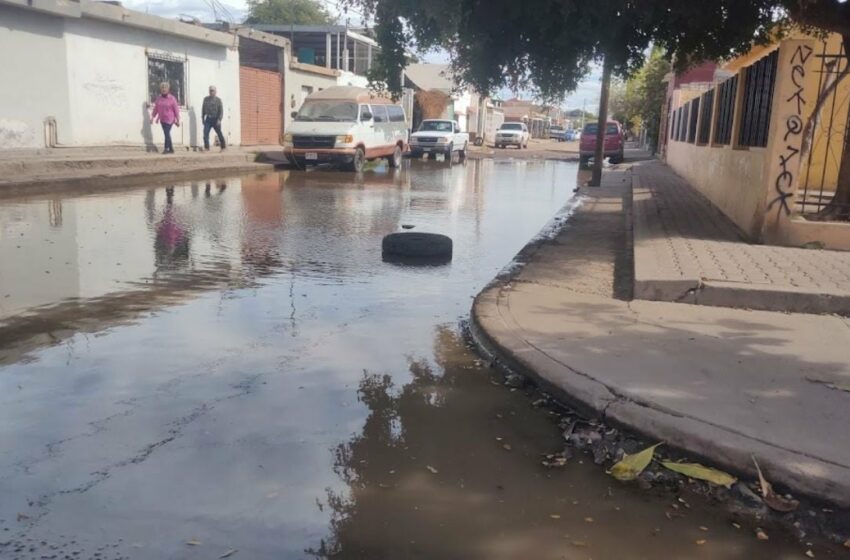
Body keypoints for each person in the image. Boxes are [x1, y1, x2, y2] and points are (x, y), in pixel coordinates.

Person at [150, 82, 180, 154]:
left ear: (168, 89)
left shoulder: (172, 98)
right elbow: (156, 109)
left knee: (166, 133)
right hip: (162, 119)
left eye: (165, 88)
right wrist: (152, 117)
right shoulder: (159, 99)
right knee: (167, 133)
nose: (164, 89)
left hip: (170, 119)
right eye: (162, 88)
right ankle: (171, 149)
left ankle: (166, 148)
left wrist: (178, 119)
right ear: (160, 89)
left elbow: (176, 109)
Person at [202, 85, 226, 151]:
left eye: (212, 91)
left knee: (219, 133)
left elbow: (221, 111)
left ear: (215, 92)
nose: (211, 92)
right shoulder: (206, 99)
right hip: (208, 119)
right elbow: (203, 109)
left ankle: (223, 147)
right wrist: (203, 118)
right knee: (205, 133)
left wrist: (219, 120)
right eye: (210, 91)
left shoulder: (218, 100)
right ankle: (207, 147)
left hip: (216, 119)